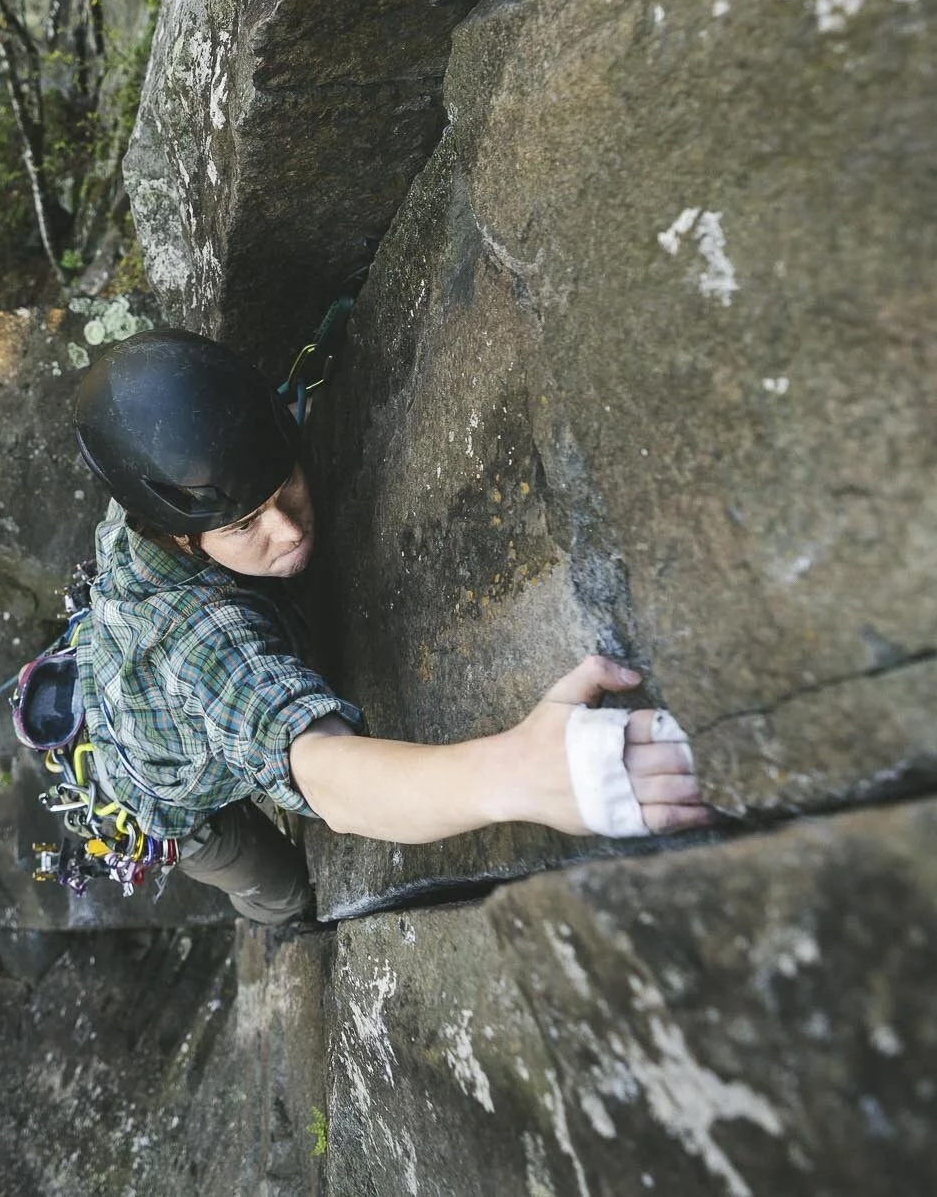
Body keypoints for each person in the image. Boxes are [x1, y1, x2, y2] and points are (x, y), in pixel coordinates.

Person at [70, 329, 711, 925]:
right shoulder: (193, 644)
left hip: (127, 677)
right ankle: (278, 920)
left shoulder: (163, 474)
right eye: (244, 525)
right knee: (286, 895)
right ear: (179, 537)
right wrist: (519, 773)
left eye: (282, 484)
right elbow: (326, 777)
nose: (289, 530)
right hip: (168, 795)